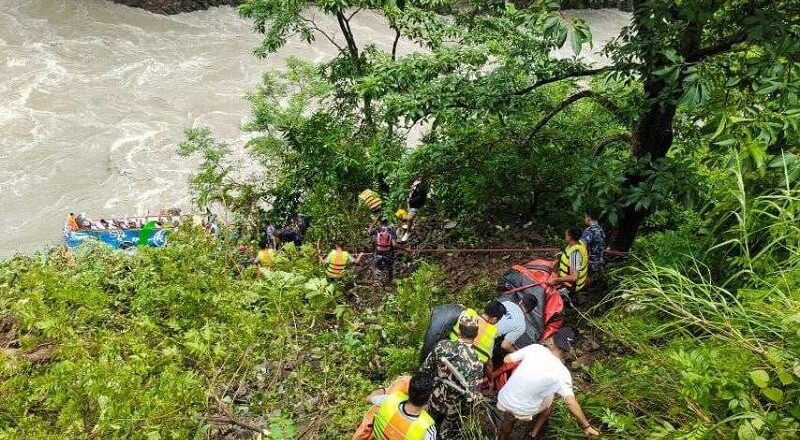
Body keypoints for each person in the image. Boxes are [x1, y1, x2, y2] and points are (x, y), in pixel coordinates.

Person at [497, 328, 599, 440]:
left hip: (504, 398)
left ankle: (503, 436)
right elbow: (570, 402)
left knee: (510, 415)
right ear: (569, 350)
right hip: (524, 410)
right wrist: (586, 426)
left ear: (552, 341)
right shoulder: (563, 373)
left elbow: (507, 360)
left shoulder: (535, 348)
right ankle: (534, 434)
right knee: (550, 397)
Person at [419, 315, 484, 439]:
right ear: (475, 336)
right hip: (453, 407)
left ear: (459, 331)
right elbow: (471, 397)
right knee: (446, 434)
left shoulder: (442, 346)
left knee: (423, 424)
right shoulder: (477, 364)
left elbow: (425, 369)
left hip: (433, 396)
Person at [353, 373, 437, 440]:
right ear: (428, 399)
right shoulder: (427, 430)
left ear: (409, 390)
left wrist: (385, 390)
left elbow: (369, 398)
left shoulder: (388, 400)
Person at [447, 300, 506, 368]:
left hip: (449, 351)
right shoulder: (491, 332)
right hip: (465, 367)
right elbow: (488, 364)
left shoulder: (468, 313)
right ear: (495, 319)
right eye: (498, 320)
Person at [549, 228, 588, 293]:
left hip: (571, 286)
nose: (565, 236)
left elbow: (574, 277)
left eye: (566, 235)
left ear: (570, 237)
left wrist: (557, 280)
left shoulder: (575, 255)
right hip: (567, 277)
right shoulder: (578, 243)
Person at [369, 218, 402, 285]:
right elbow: (394, 244)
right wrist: (405, 249)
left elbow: (369, 232)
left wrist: (374, 222)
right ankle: (389, 282)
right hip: (388, 253)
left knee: (378, 267)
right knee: (389, 268)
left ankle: (379, 282)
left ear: (380, 222)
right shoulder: (391, 230)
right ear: (387, 222)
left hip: (378, 252)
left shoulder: (377, 229)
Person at [400, 178, 428, 243]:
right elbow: (412, 191)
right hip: (411, 204)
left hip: (415, 205)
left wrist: (410, 200)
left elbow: (420, 197)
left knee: (409, 218)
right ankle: (408, 225)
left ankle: (407, 232)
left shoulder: (421, 187)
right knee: (407, 216)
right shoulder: (416, 184)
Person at [581, 208, 606, 274]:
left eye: (585, 217)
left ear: (588, 218)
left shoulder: (590, 231)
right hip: (600, 263)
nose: (584, 219)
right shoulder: (601, 230)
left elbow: (581, 247)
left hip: (590, 265)